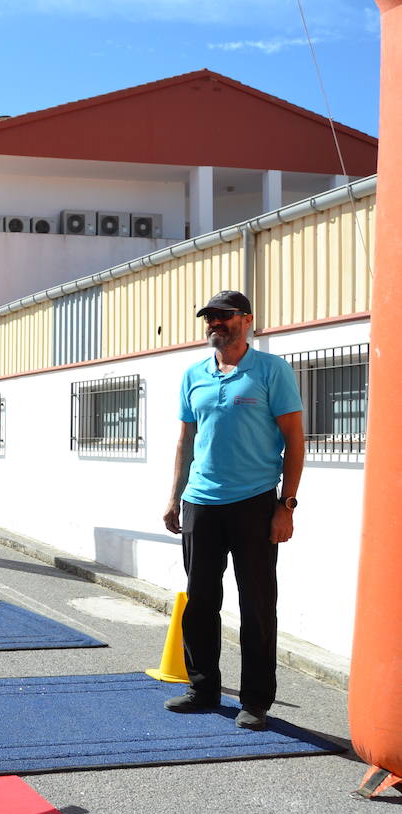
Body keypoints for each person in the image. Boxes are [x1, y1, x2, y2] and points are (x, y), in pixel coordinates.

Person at [162, 289, 303, 731]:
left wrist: (287, 504)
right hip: (201, 502)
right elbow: (186, 440)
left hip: (255, 502)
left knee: (258, 603)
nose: (215, 324)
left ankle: (256, 701)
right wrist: (174, 495)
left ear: (247, 320)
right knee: (200, 601)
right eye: (210, 318)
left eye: (224, 316)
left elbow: (295, 441)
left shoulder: (270, 371)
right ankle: (203, 689)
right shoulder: (194, 374)